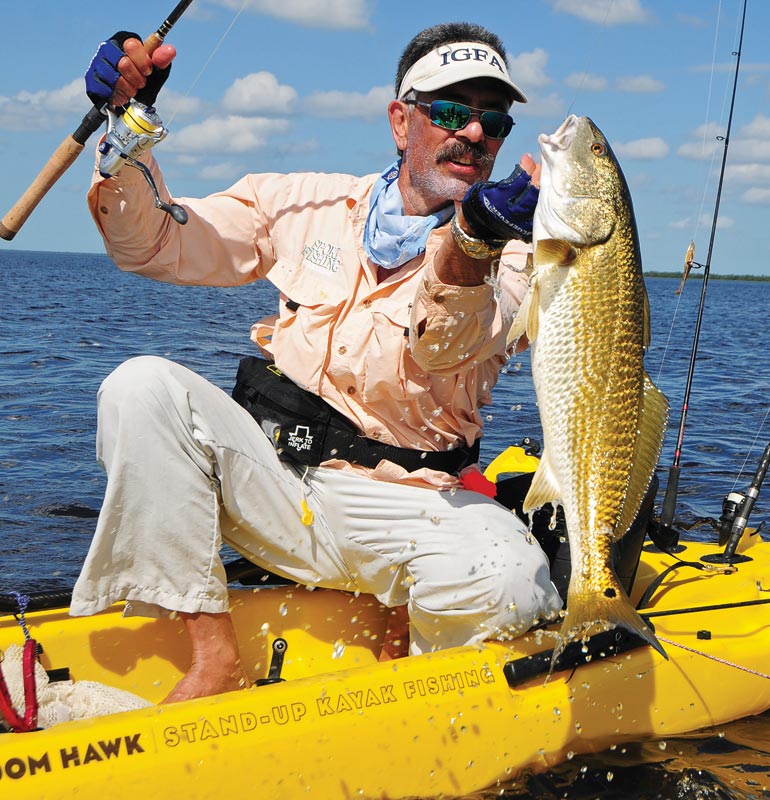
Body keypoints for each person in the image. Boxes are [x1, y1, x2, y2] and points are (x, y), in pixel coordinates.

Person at [70, 22, 563, 703]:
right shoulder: (304, 202)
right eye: (451, 112)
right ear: (401, 120)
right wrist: (129, 127)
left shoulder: (520, 258)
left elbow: (449, 342)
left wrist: (473, 241)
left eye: (493, 122)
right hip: (280, 488)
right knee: (141, 387)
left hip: (412, 508)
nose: (474, 134)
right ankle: (214, 659)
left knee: (511, 578)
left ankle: (413, 673)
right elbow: (152, 243)